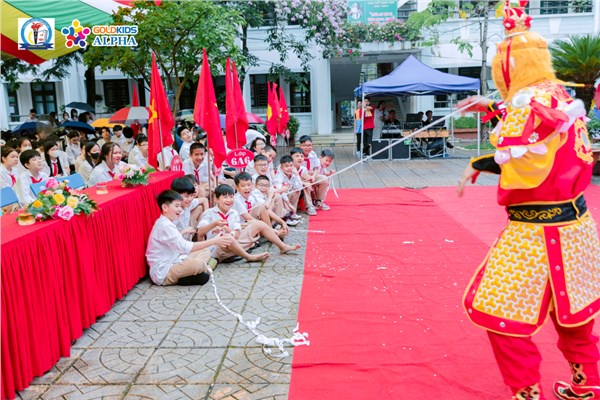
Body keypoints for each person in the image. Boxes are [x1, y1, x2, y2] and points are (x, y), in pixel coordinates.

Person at [456, 4, 600, 399]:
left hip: (533, 233)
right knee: (574, 316)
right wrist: (490, 106)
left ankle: (526, 392)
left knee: (498, 312)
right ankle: (587, 387)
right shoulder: (559, 95)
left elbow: (518, 154)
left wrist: (478, 163)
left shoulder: (525, 103)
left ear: (508, 65)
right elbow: (539, 134)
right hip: (578, 228)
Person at [146, 190, 230, 286]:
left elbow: (176, 242)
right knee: (198, 263)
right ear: (165, 207)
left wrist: (183, 233)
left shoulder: (167, 222)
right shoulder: (165, 225)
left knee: (205, 251)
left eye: (180, 206)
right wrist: (214, 241)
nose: (180, 209)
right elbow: (186, 247)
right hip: (164, 272)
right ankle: (204, 268)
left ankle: (200, 271)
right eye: (177, 206)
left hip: (177, 259)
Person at [197, 184, 300, 263]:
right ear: (216, 199)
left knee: (259, 224)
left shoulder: (233, 213)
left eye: (231, 197)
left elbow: (237, 235)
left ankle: (282, 246)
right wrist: (214, 224)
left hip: (236, 242)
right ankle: (249, 257)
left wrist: (226, 228)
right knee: (228, 239)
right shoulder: (209, 213)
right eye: (225, 197)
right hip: (218, 248)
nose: (229, 200)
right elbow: (200, 233)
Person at [299, 135, 330, 211]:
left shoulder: (313, 154)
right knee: (306, 183)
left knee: (324, 179)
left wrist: (313, 176)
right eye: (304, 145)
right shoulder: (298, 154)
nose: (307, 147)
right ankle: (309, 206)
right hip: (301, 176)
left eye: (309, 145)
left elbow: (316, 168)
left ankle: (319, 200)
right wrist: (306, 175)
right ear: (300, 146)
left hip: (312, 175)